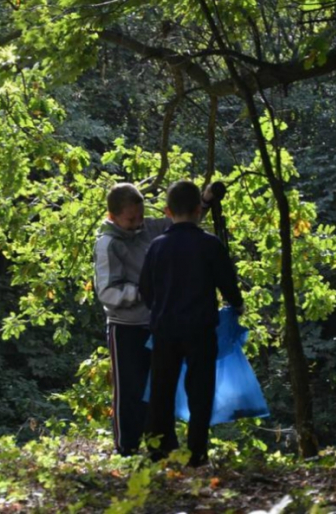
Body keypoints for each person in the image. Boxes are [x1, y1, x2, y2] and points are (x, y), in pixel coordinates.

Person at [139, 180, 244, 467]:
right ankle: (196, 454)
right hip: (200, 329)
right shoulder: (210, 244)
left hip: (165, 329)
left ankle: (159, 452)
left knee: (162, 389)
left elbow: (145, 289)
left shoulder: (157, 246)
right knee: (200, 392)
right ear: (200, 209)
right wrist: (237, 304)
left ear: (167, 210)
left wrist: (157, 309)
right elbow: (228, 283)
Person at [93, 183, 173, 456]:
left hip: (155, 324)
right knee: (130, 391)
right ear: (113, 216)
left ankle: (159, 448)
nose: (137, 224)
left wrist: (205, 201)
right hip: (125, 328)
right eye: (130, 219)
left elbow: (181, 220)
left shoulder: (149, 228)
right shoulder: (108, 244)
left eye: (140, 216)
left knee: (159, 388)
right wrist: (141, 291)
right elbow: (106, 291)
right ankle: (126, 448)